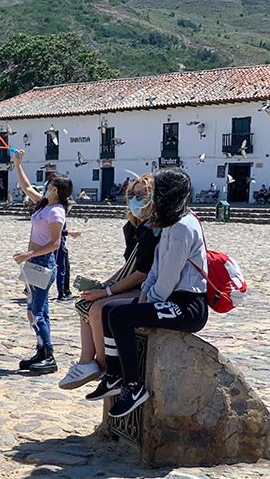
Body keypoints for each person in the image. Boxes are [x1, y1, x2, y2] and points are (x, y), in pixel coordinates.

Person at [88, 168, 208, 417]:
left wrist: (148, 304)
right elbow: (155, 268)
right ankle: (113, 375)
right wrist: (144, 297)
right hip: (168, 299)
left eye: (156, 192)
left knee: (120, 316)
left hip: (187, 306)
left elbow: (169, 277)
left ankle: (133, 386)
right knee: (110, 309)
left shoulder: (184, 227)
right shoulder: (168, 224)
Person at [59, 173, 160, 390]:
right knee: (83, 303)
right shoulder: (133, 228)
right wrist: (105, 284)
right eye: (132, 194)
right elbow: (128, 267)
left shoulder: (153, 229)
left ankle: (106, 369)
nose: (135, 198)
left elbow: (142, 273)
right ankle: (87, 362)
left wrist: (107, 293)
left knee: (98, 309)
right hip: (134, 283)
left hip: (148, 289)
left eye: (141, 194)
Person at [12, 149, 73, 374]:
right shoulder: (44, 204)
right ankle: (41, 350)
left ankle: (48, 354)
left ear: (55, 190)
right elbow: (27, 187)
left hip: (42, 262)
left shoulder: (56, 212)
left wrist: (29, 255)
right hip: (34, 264)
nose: (45, 186)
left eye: (49, 185)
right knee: (36, 308)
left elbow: (56, 243)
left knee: (36, 311)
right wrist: (18, 164)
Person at [55, 223, 81, 301]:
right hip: (57, 244)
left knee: (65, 267)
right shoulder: (57, 212)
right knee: (61, 269)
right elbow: (55, 230)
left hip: (59, 243)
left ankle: (66, 292)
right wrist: (71, 233)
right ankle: (62, 294)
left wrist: (69, 231)